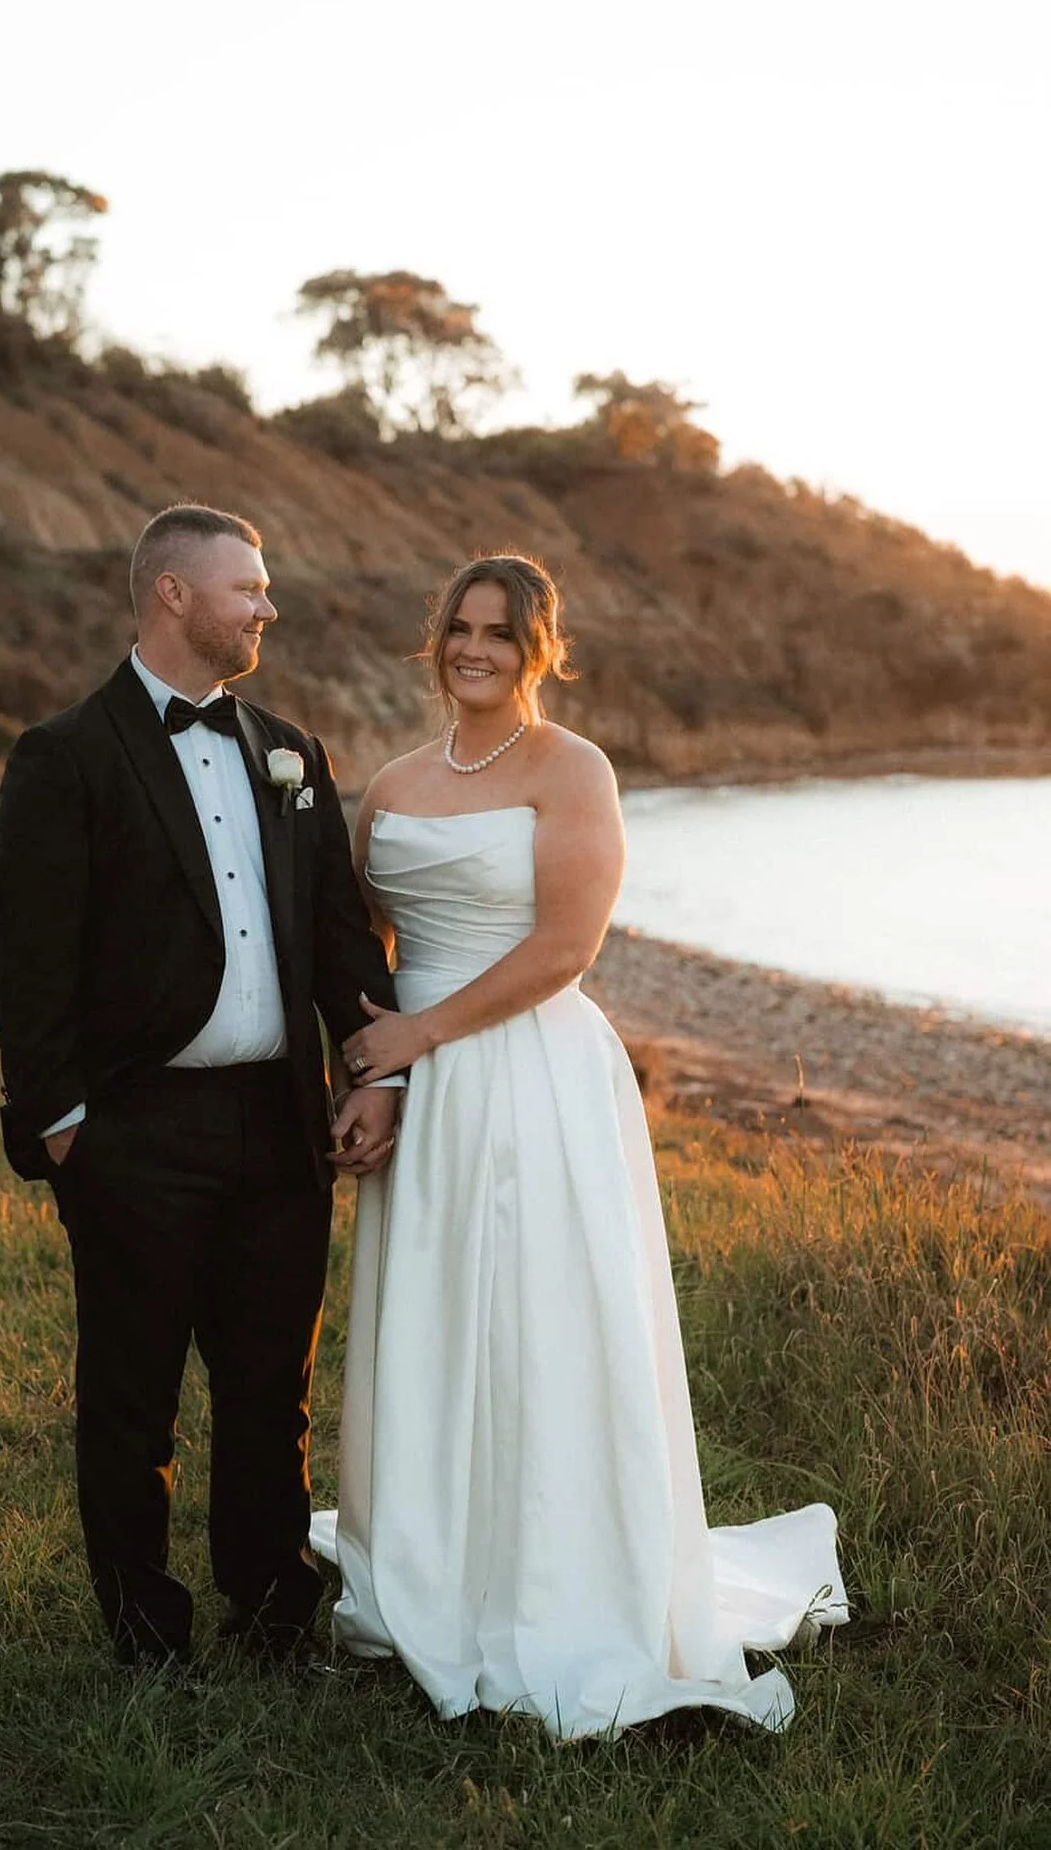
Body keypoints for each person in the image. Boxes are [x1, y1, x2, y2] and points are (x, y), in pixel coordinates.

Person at [309, 554, 847, 1737]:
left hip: (535, 1069)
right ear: (435, 639)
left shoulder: (573, 771)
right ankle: (429, 1562)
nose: (476, 649)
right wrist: (386, 1072)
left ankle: (559, 1572)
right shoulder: (393, 785)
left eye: (502, 633)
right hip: (427, 1083)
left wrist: (423, 1034)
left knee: (546, 1310)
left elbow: (565, 947)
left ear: (539, 649)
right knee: (436, 1310)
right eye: (460, 627)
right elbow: (363, 944)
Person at [0, 503, 402, 1669]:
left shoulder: (292, 749)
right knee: (133, 1405)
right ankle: (145, 1639)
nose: (267, 607)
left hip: (279, 1127)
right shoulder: (66, 756)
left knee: (273, 1394)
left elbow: (339, 941)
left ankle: (276, 1619)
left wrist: (376, 1071)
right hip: (136, 1133)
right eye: (248, 588)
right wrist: (66, 1131)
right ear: (172, 594)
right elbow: (28, 965)